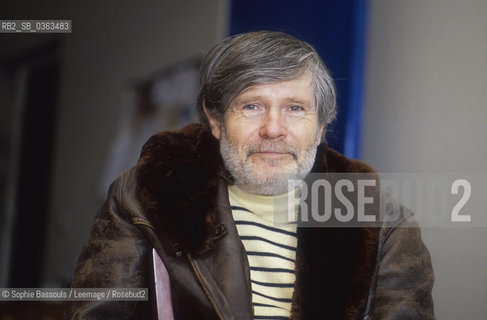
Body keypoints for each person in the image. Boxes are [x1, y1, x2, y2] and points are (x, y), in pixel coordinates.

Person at [64, 31, 435, 319]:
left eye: (294, 108)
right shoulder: (144, 194)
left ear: (321, 127)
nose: (273, 129)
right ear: (216, 120)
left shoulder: (384, 225)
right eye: (252, 106)